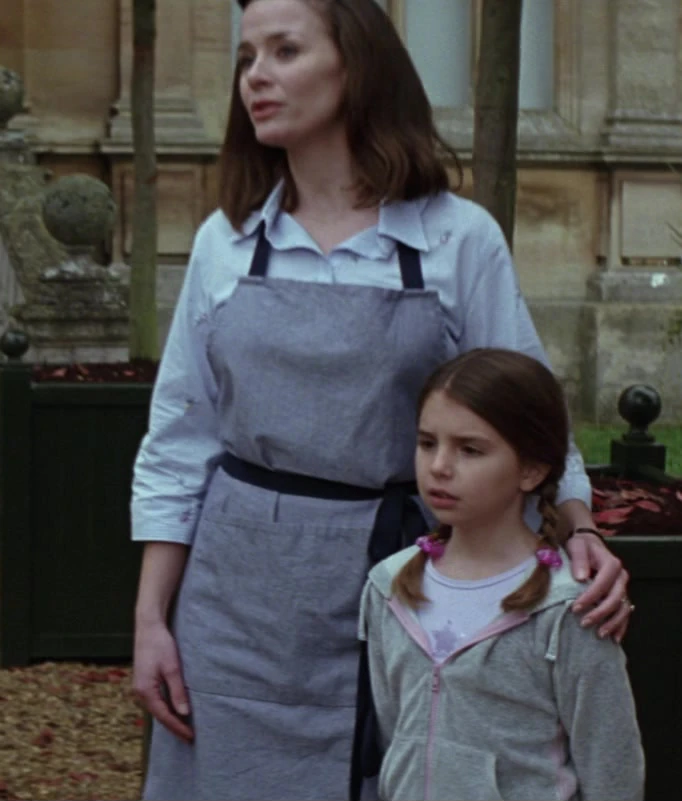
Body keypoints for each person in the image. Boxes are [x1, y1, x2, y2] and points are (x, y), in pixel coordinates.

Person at [131, 1, 633, 799]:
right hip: (233, 603)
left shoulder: (454, 238)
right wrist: (152, 620)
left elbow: (531, 416)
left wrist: (578, 530)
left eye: (285, 50)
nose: (255, 75)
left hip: (401, 592)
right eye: (247, 56)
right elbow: (180, 442)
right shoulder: (224, 242)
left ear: (356, 65)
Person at [359, 348, 645, 801]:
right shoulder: (389, 587)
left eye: (470, 449)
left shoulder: (570, 608)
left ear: (531, 469)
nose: (439, 466)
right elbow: (395, 736)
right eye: (428, 443)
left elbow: (613, 770)